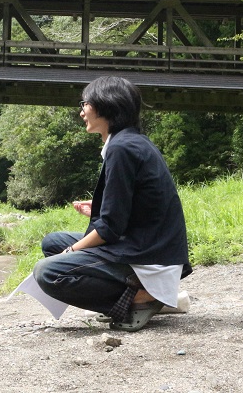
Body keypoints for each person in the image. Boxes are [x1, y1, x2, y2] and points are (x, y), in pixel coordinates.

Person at [33, 76, 192, 332]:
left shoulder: (122, 148)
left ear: (104, 105)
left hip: (150, 254)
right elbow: (131, 205)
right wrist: (99, 207)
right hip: (147, 244)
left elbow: (110, 228)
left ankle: (143, 297)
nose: (82, 110)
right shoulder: (128, 141)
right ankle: (144, 294)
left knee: (47, 273)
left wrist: (73, 252)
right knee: (52, 243)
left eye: (85, 103)